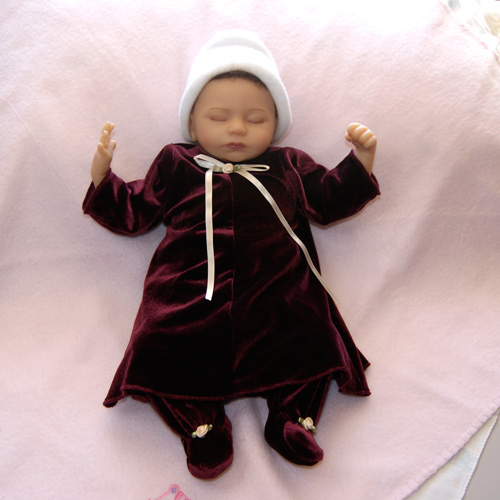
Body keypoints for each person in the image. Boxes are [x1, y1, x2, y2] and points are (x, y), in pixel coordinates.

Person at [83, 29, 380, 480]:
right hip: (188, 291)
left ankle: (293, 415)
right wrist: (104, 179)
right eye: (219, 117)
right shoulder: (176, 163)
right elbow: (136, 211)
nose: (237, 128)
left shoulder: (288, 165)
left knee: (310, 333)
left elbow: (328, 199)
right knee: (158, 341)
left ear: (276, 126)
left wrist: (361, 161)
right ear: (193, 125)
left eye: (255, 118)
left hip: (278, 289)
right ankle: (200, 425)